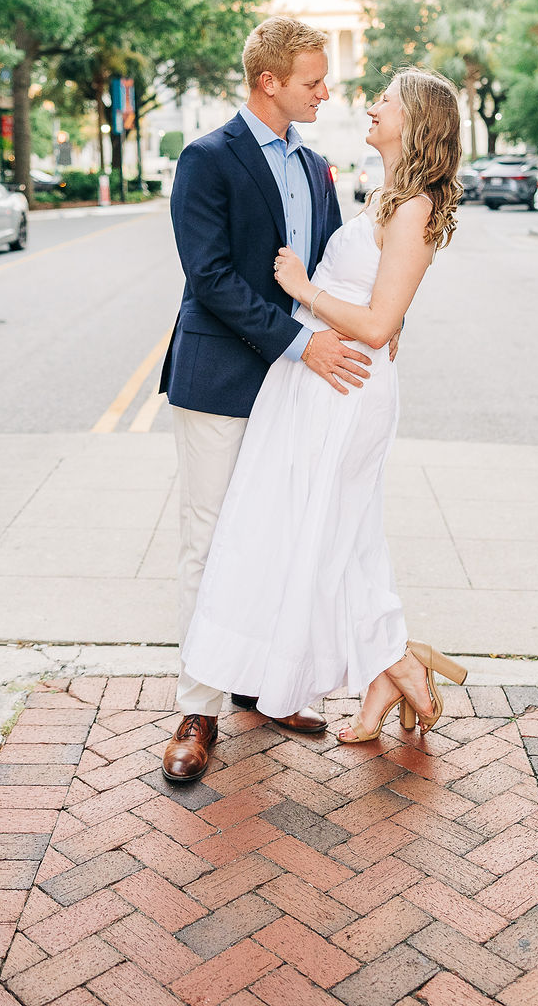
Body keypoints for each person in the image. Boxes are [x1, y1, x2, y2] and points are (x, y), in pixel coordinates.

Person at [182, 66, 468, 750]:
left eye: (386, 102)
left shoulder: (415, 206)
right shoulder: (385, 195)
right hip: (318, 385)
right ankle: (391, 665)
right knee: (340, 539)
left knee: (328, 538)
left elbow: (374, 324)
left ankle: (394, 659)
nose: (369, 106)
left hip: (347, 389)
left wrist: (303, 290)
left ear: (417, 122)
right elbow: (380, 301)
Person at [159, 17, 378, 783]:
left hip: (296, 389)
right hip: (221, 380)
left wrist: (373, 321)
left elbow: (324, 274)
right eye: (314, 81)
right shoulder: (207, 159)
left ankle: (265, 684)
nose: (327, 90)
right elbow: (210, 277)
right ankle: (198, 709)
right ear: (269, 83)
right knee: (210, 543)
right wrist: (302, 343)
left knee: (280, 538)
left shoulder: (318, 168)